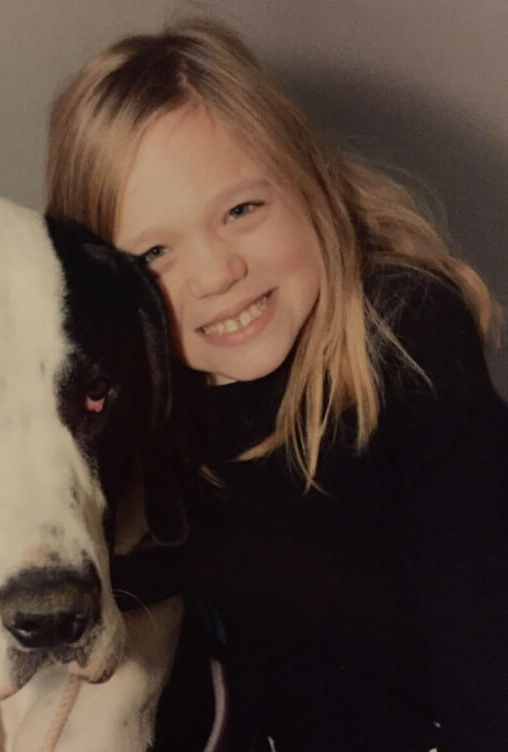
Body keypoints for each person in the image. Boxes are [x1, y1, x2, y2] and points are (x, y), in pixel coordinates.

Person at [44, 17, 508, 752]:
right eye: (157, 250)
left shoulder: (406, 333)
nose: (216, 271)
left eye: (241, 210)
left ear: (309, 186)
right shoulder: (157, 404)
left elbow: (485, 628)